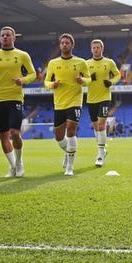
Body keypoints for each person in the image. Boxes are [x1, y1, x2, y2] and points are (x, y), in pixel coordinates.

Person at [0, 26, 37, 178]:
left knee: (14, 132)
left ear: (14, 38)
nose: (5, 37)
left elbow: (33, 74)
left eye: (8, 35)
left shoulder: (22, 55)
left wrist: (23, 80)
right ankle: (12, 166)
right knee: (3, 135)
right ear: (0, 38)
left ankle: (19, 163)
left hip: (15, 97)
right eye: (2, 35)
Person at [44, 33, 90, 176]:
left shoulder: (81, 62)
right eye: (62, 43)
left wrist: (82, 81)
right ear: (60, 45)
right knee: (58, 136)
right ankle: (68, 151)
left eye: (67, 43)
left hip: (75, 101)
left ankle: (70, 167)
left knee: (71, 130)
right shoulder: (53, 63)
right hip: (59, 103)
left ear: (72, 45)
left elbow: (89, 79)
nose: (65, 45)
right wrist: (53, 84)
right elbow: (46, 83)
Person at [86, 39, 121, 167]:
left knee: (101, 126)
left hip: (105, 98)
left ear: (102, 49)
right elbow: (82, 80)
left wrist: (111, 82)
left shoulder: (109, 62)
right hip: (91, 99)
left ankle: (100, 154)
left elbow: (118, 75)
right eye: (93, 47)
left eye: (98, 47)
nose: (96, 49)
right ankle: (102, 150)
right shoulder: (86, 64)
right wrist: (89, 79)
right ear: (91, 49)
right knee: (96, 127)